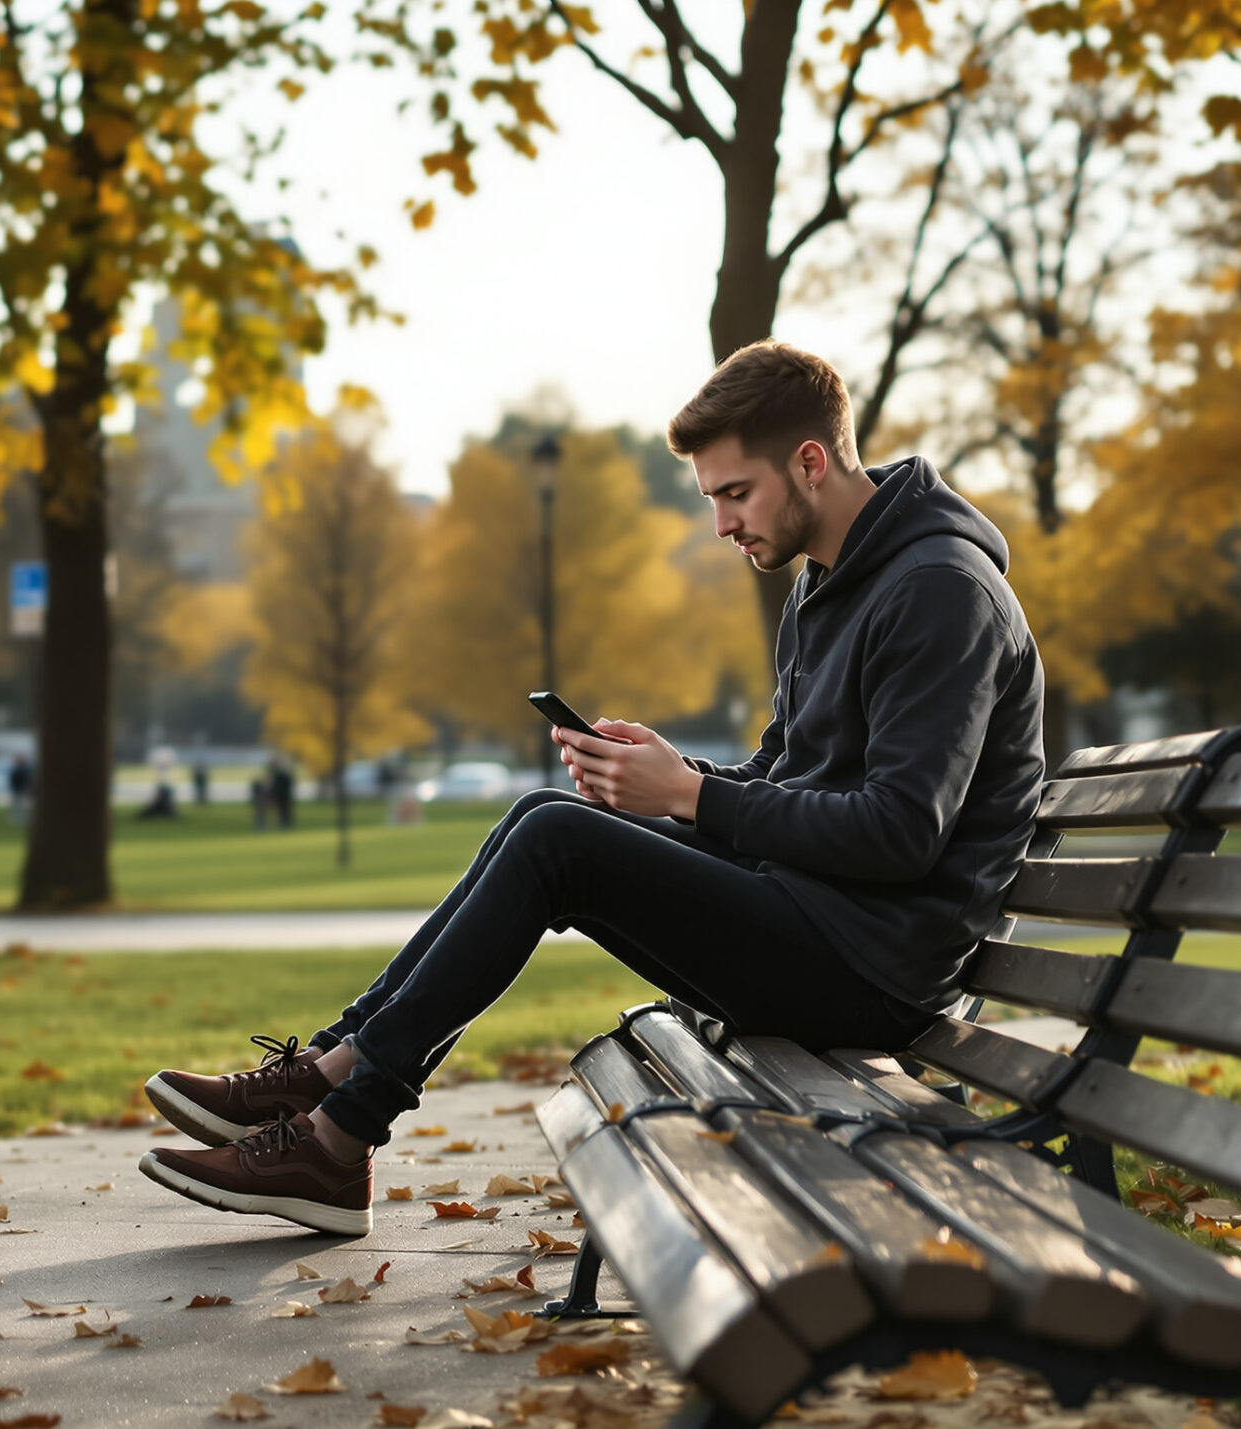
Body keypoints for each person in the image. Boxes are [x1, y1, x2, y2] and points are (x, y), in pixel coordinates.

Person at [136, 341, 1047, 1236]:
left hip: (876, 971)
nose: (722, 524)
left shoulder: (939, 591)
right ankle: (333, 1067)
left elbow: (900, 832)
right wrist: (665, 776)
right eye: (713, 498)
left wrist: (689, 797)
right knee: (546, 813)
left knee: (557, 844)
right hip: (815, 915)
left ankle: (338, 1132)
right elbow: (781, 775)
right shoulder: (825, 586)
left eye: (736, 493)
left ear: (811, 462)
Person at [6, 752, 34, 825]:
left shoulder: (23, 769)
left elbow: (25, 780)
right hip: (17, 789)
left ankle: (21, 818)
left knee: (21, 805)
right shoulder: (17, 769)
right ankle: (17, 817)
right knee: (17, 805)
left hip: (21, 789)